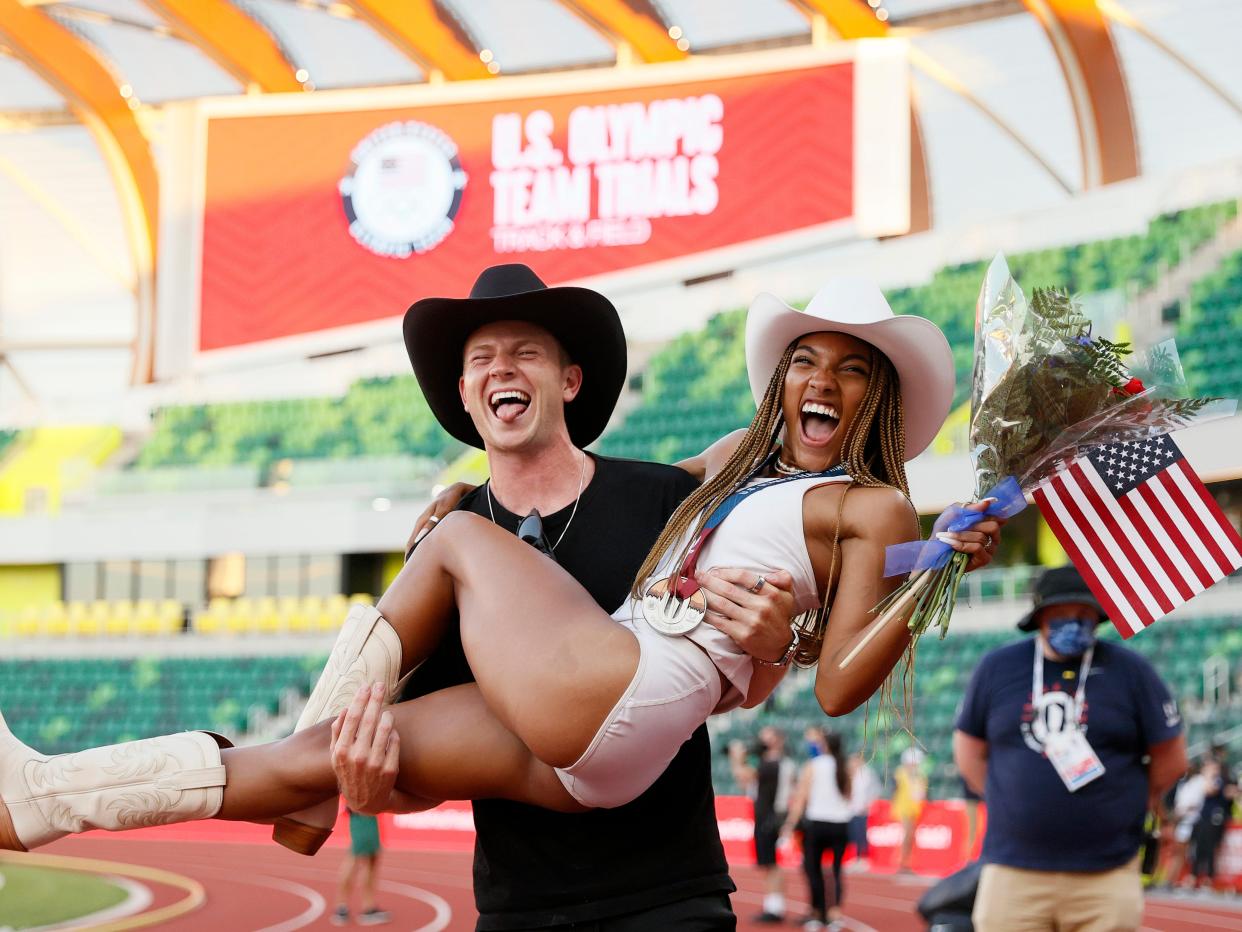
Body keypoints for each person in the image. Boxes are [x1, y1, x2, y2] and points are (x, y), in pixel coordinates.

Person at [0, 274, 1007, 919]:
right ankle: (42, 802)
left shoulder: (713, 497)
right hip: (544, 827)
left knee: (456, 543)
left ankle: (296, 805)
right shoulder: (724, 476)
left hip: (658, 867)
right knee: (315, 747)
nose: (819, 380)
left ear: (571, 379)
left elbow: (823, 671)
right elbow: (401, 763)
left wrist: (861, 603)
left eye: (847, 370)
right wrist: (352, 774)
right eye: (804, 359)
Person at [953, 564, 1188, 932]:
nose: (1074, 623)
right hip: (1013, 871)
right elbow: (968, 753)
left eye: (1083, 614)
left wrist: (1132, 800)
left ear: (1097, 617)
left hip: (1106, 874)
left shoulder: (1131, 670)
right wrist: (1009, 798)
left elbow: (1171, 758)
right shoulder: (997, 668)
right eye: (1060, 615)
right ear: (1040, 616)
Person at [783, 729, 853, 931]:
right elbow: (848, 796)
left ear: (825, 745)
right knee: (837, 871)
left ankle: (817, 912)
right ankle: (835, 913)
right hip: (840, 823)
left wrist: (790, 824)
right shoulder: (844, 767)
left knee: (813, 870)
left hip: (817, 823)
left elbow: (801, 798)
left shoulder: (813, 765)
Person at [729, 727, 796, 924]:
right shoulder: (774, 764)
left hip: (769, 818)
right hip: (769, 816)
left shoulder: (771, 764)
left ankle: (775, 907)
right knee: (768, 863)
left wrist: (737, 758)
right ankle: (774, 904)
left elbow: (743, 776)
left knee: (771, 863)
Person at [331, 809, 392, 926]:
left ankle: (365, 907)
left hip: (366, 812)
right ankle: (344, 908)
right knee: (355, 858)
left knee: (369, 859)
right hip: (362, 812)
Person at [1190, 752, 1234, 889]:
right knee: (1199, 848)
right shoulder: (1206, 779)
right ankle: (1195, 877)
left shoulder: (1218, 780)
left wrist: (1208, 775)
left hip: (1213, 820)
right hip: (1203, 818)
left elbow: (1209, 790)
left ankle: (1208, 879)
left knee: (1209, 849)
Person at [891, 746, 927, 872]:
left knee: (911, 836)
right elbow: (895, 789)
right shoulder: (900, 773)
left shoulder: (919, 776)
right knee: (907, 835)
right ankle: (902, 862)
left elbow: (921, 793)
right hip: (904, 809)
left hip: (915, 810)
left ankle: (906, 862)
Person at [846, 751, 880, 868]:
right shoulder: (850, 773)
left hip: (863, 810)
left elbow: (875, 790)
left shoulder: (867, 773)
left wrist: (869, 803)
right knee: (853, 834)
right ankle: (856, 857)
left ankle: (863, 858)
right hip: (852, 809)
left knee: (861, 834)